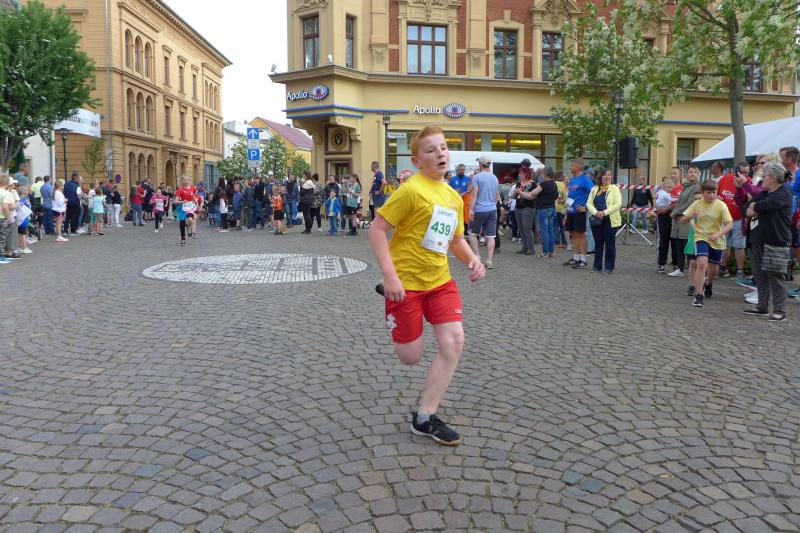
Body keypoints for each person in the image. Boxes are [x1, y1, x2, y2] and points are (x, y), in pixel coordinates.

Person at [368, 125, 485, 446]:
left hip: (440, 282)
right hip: (405, 283)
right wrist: (390, 276)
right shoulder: (410, 190)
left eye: (443, 147)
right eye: (431, 150)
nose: (440, 154)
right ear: (418, 161)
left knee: (453, 341)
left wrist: (473, 259)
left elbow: (455, 240)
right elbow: (377, 229)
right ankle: (387, 290)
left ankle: (425, 417)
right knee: (410, 356)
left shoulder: (453, 196)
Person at [741, 162, 793, 321]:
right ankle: (762, 307)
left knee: (776, 277)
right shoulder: (764, 193)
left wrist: (754, 207)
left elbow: (762, 207)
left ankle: (779, 311)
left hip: (776, 241)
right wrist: (753, 207)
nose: (762, 178)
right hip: (757, 240)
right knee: (760, 275)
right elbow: (745, 208)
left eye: (764, 175)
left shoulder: (784, 193)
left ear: (774, 178)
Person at [681, 180, 734, 308]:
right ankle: (699, 295)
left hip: (717, 239)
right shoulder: (697, 204)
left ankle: (709, 283)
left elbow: (729, 224)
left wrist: (718, 234)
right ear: (703, 192)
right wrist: (690, 216)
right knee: (701, 264)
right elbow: (683, 220)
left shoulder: (721, 205)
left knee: (713, 270)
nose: (711, 195)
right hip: (701, 237)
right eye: (708, 192)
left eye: (714, 192)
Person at [717, 161, 750, 283]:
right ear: (736, 171)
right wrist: (717, 198)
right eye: (742, 172)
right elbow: (716, 192)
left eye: (747, 172)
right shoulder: (725, 178)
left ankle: (740, 272)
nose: (744, 175)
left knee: (739, 245)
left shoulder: (748, 181)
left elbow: (752, 198)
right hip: (724, 218)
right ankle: (722, 269)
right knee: (724, 244)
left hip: (739, 218)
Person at [587, 168, 622, 273]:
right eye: (605, 175)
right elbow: (588, 203)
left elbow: (618, 204)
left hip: (610, 220)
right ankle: (597, 266)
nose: (608, 177)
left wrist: (604, 212)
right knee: (598, 243)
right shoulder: (594, 189)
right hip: (597, 219)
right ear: (600, 177)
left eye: (609, 175)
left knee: (609, 244)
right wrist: (595, 213)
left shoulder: (614, 188)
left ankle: (609, 267)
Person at [669, 166, 701, 277]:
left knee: (686, 244)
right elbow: (679, 202)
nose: (692, 174)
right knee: (679, 244)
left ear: (698, 174)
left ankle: (689, 269)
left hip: (687, 219)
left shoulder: (696, 187)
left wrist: (675, 212)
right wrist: (675, 212)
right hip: (680, 219)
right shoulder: (686, 186)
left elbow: (690, 203)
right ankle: (680, 268)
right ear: (687, 174)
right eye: (690, 172)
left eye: (695, 172)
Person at [468, 156, 500, 269]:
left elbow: (474, 194)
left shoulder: (477, 177)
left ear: (481, 165)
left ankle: (477, 257)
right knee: (491, 236)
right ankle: (489, 261)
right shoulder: (495, 177)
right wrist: (493, 205)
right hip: (492, 209)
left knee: (472, 233)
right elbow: (497, 196)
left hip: (480, 209)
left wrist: (471, 209)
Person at [564, 158, 594, 268]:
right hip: (570, 211)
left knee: (581, 234)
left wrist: (586, 208)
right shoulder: (572, 179)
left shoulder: (585, 179)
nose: (570, 167)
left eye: (572, 165)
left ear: (579, 167)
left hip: (579, 211)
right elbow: (570, 196)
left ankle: (584, 260)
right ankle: (576, 258)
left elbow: (594, 192)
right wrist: (566, 213)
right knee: (573, 234)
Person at [533, 166, 559, 258]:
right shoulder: (554, 183)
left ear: (545, 174)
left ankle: (545, 252)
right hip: (552, 208)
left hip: (543, 209)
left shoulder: (544, 184)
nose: (541, 175)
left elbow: (533, 193)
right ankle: (551, 251)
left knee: (544, 231)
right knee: (550, 231)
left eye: (542, 173)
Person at [511, 165, 536, 255]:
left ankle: (531, 249)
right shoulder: (519, 184)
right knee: (521, 229)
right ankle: (525, 247)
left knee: (527, 228)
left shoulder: (532, 184)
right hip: (518, 208)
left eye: (521, 173)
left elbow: (531, 197)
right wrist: (515, 193)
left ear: (526, 174)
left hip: (528, 208)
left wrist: (520, 192)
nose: (519, 175)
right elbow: (513, 196)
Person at [655, 179, 674, 273]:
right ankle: (661, 263)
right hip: (663, 216)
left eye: (671, 187)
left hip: (674, 216)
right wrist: (658, 208)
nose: (670, 189)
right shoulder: (663, 193)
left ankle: (676, 264)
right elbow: (656, 202)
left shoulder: (680, 188)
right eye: (668, 187)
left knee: (675, 241)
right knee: (663, 240)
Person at [0, 175, 14, 263]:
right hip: (3, 218)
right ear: (7, 183)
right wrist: (9, 218)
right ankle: (1, 256)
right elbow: (5, 207)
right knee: (2, 237)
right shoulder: (7, 193)